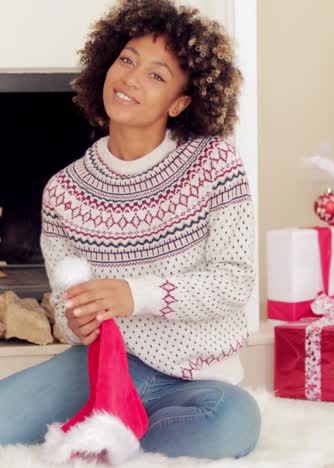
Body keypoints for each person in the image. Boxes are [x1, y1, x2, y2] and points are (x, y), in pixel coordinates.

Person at [0, 0, 260, 459]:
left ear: (181, 102)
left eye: (156, 75)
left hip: (199, 379)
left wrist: (133, 294)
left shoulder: (215, 163)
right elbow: (66, 309)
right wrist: (75, 321)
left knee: (230, 425)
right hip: (104, 368)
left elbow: (234, 281)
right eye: (126, 60)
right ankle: (111, 422)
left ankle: (112, 429)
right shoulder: (64, 190)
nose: (130, 79)